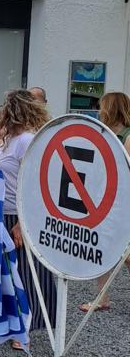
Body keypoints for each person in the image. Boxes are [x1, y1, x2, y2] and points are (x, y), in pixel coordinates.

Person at [0, 88, 53, 339]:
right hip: (3, 211)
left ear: (13, 110)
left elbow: (36, 182)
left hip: (19, 215)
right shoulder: (9, 139)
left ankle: (30, 325)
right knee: (10, 273)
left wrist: (21, 222)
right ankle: (15, 322)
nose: (1, 112)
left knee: (28, 273)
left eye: (4, 108)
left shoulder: (27, 140)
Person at [79, 92, 130, 312]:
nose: (99, 110)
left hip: (122, 202)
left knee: (125, 253)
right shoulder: (105, 133)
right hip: (105, 199)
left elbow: (124, 172)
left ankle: (102, 298)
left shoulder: (127, 136)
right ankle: (102, 298)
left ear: (111, 109)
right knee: (102, 247)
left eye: (102, 106)